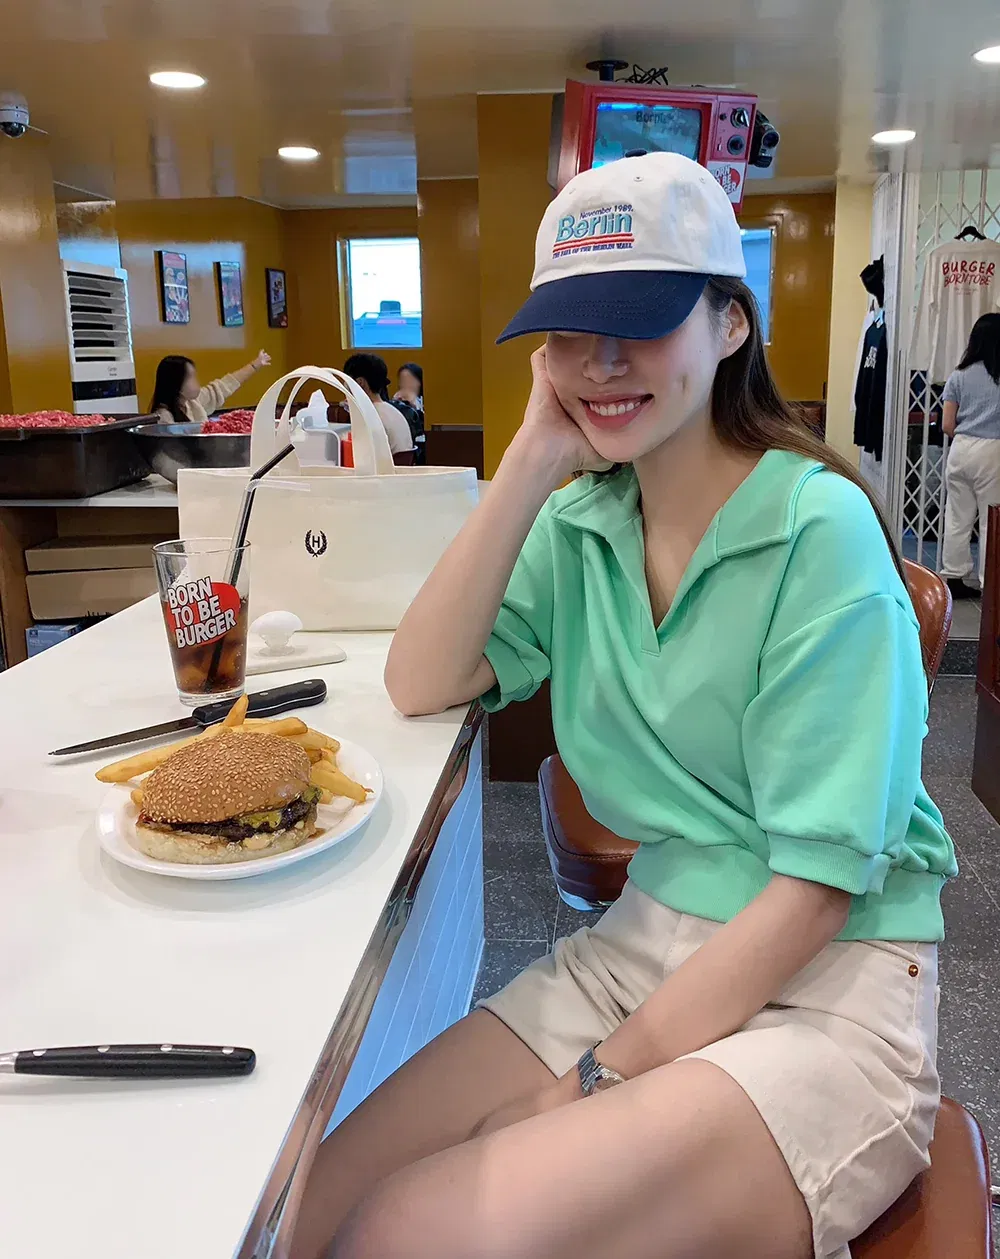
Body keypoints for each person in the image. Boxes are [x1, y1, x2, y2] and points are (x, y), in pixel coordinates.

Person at [292, 154, 956, 1259]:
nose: (600, 362)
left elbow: (816, 893)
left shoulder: (817, 530)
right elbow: (421, 676)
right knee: (301, 1209)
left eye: (639, 323)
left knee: (409, 1229)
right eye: (568, 332)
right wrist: (533, 453)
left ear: (730, 324)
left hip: (829, 991)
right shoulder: (584, 523)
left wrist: (583, 1086)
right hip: (639, 949)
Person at [940, 311, 1000, 599]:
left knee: (957, 516)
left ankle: (953, 576)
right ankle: (990, 582)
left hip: (960, 448)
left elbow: (946, 424)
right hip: (993, 452)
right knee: (991, 520)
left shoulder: (958, 375)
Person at [149, 350, 271, 424]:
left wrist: (255, 365)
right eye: (191, 377)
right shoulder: (164, 418)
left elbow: (224, 386)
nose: (197, 381)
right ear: (176, 384)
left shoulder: (192, 403)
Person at [343, 353, 415, 462]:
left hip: (384, 472)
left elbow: (361, 460)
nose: (344, 386)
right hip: (398, 471)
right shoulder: (393, 411)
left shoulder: (369, 417)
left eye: (346, 381)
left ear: (360, 383)